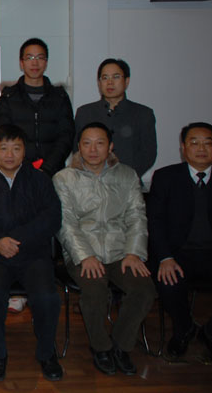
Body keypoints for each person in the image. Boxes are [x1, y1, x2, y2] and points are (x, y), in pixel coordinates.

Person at [53, 122, 155, 376]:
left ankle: (121, 346)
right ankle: (101, 347)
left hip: (121, 252)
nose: (93, 149)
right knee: (95, 288)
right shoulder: (64, 178)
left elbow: (136, 217)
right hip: (81, 252)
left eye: (100, 143)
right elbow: (65, 223)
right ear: (79, 147)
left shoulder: (127, 175)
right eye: (86, 143)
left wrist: (133, 252)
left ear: (110, 147)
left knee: (144, 289)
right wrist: (85, 256)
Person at [0, 124, 63, 382]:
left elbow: (52, 218)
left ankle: (46, 353)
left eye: (16, 148)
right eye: (4, 148)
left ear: (24, 151)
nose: (10, 155)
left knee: (47, 297)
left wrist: (19, 239)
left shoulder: (40, 180)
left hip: (32, 253)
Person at [148, 122, 212, 370]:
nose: (201, 148)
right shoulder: (165, 177)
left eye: (207, 143)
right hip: (178, 255)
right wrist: (165, 257)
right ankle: (184, 329)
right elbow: (155, 222)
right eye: (194, 142)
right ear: (183, 148)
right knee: (168, 282)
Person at [0, 38, 74, 177]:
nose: (35, 63)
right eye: (29, 57)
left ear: (46, 62)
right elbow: (3, 138)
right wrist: (24, 169)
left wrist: (47, 168)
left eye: (40, 57)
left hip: (53, 173)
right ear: (21, 63)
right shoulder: (8, 98)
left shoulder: (60, 97)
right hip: (18, 173)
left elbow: (66, 137)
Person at [74, 58, 156, 179]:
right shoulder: (85, 113)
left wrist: (126, 177)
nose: (110, 82)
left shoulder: (143, 114)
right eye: (105, 78)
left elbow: (148, 154)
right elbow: (77, 149)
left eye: (116, 77)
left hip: (128, 182)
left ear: (126, 81)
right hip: (91, 182)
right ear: (99, 83)